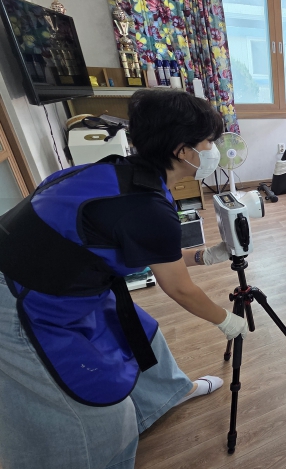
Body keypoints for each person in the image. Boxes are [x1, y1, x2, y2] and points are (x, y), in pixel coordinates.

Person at [0, 89, 247, 469]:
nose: (213, 149)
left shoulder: (124, 173)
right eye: (209, 142)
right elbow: (178, 288)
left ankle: (170, 394)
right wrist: (225, 320)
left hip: (69, 279)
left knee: (139, 333)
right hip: (19, 296)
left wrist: (204, 256)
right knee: (96, 415)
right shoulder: (146, 207)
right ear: (182, 150)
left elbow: (149, 253)